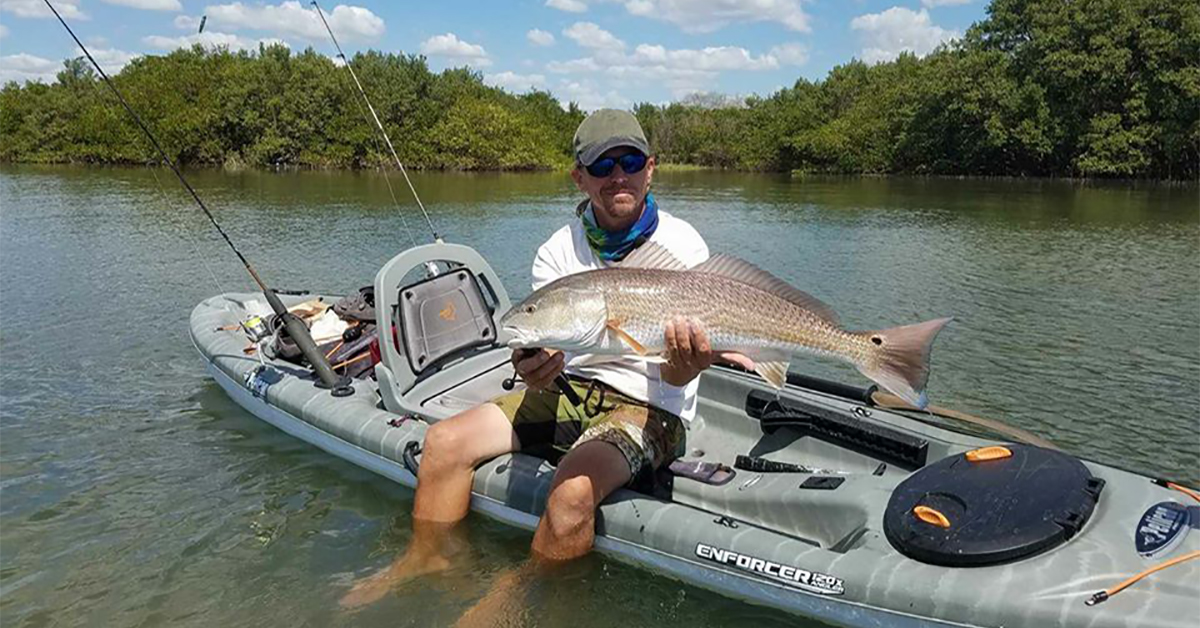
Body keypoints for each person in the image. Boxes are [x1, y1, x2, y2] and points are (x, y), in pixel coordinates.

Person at [341, 109, 753, 615]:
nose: (617, 176)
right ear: (578, 176)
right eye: (602, 166)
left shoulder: (684, 246)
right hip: (571, 389)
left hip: (652, 406)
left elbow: (674, 375)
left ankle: (519, 603)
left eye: (629, 161)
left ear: (651, 167)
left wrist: (689, 364)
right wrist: (535, 364)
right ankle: (427, 559)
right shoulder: (557, 251)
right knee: (443, 442)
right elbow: (546, 343)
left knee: (571, 496)